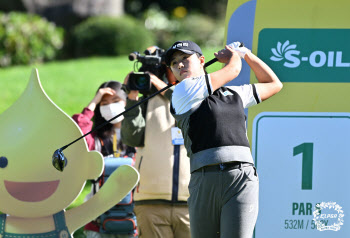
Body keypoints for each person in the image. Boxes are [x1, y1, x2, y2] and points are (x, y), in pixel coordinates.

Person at [164, 40, 283, 238]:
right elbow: (233, 70)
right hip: (204, 178)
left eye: (185, 58)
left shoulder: (234, 93)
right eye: (174, 63)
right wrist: (233, 56)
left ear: (202, 60)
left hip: (241, 177)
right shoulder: (182, 91)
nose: (180, 65)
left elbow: (273, 84)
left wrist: (246, 54)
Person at [121, 47, 191, 238]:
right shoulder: (146, 100)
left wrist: (158, 83)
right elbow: (131, 138)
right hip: (150, 202)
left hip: (191, 203)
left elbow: (183, 99)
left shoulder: (196, 93)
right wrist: (132, 97)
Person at [72, 81, 136, 238]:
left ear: (126, 101)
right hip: (98, 220)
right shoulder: (97, 139)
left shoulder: (138, 136)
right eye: (104, 103)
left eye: (115, 101)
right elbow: (78, 132)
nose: (110, 107)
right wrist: (94, 101)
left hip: (132, 217)